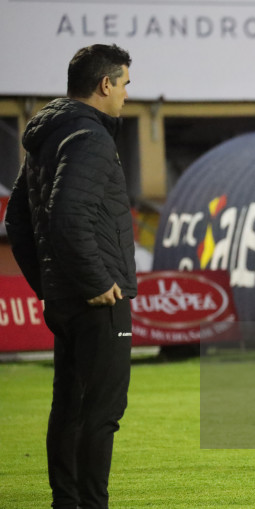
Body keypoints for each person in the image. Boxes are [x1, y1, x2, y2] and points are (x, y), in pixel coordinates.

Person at [5, 44, 136, 509]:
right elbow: (67, 216)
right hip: (98, 300)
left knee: (70, 408)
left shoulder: (49, 136)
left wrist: (48, 286)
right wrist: (96, 282)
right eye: (123, 85)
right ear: (105, 84)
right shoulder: (90, 137)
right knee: (101, 413)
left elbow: (18, 223)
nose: (125, 95)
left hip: (66, 299)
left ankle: (68, 503)